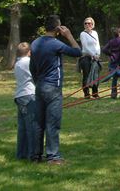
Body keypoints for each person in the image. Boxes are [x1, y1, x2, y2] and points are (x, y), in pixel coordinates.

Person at [29, 15, 82, 164]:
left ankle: (35, 156)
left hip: (39, 86)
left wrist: (37, 81)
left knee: (38, 122)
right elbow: (77, 52)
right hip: (53, 87)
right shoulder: (55, 44)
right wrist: (69, 35)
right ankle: (53, 156)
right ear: (58, 29)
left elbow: (32, 67)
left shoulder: (35, 43)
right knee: (52, 122)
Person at [14, 42, 37, 161]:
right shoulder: (28, 62)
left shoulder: (17, 63)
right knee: (32, 126)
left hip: (20, 96)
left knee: (22, 127)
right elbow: (36, 76)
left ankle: (21, 153)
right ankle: (32, 155)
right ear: (29, 52)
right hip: (29, 95)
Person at [101, 27, 120, 99]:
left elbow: (104, 49)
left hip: (113, 60)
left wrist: (110, 54)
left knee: (114, 77)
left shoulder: (111, 41)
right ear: (119, 34)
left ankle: (113, 95)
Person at [78, 17, 101, 99]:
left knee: (95, 75)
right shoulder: (82, 34)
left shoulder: (95, 33)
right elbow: (85, 46)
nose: (87, 25)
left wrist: (98, 54)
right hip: (86, 57)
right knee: (86, 75)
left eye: (89, 23)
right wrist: (93, 55)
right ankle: (86, 93)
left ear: (92, 24)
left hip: (95, 58)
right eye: (86, 23)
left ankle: (95, 93)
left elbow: (98, 45)